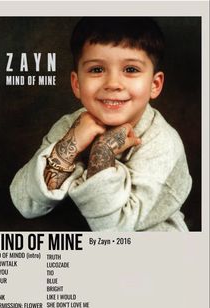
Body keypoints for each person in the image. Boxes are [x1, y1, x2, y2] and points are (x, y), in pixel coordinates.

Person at [10, 17, 192, 231]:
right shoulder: (71, 126)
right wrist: (70, 144)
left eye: (131, 69)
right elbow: (25, 203)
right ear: (77, 84)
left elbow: (115, 231)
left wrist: (102, 152)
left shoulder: (163, 144)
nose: (113, 84)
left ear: (154, 84)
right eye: (97, 70)